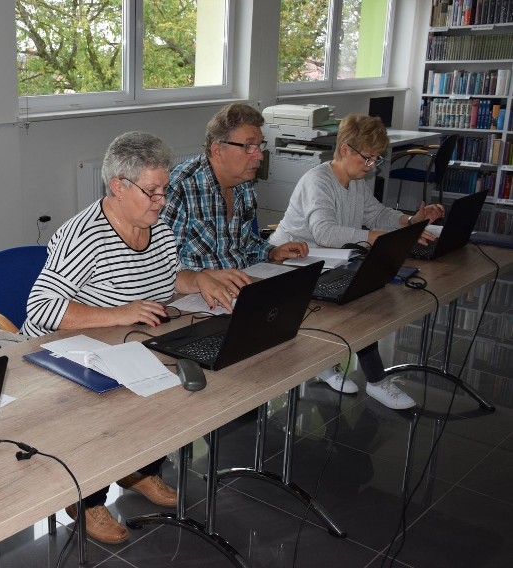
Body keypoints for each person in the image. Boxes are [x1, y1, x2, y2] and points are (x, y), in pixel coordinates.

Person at [22, 131, 234, 544]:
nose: (162, 201)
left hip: (123, 344)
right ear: (119, 186)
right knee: (109, 406)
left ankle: (139, 470)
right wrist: (121, 313)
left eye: (164, 190)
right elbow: (41, 309)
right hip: (58, 356)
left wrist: (197, 280)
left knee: (164, 375)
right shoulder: (84, 235)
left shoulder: (158, 227)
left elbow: (162, 282)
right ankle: (85, 500)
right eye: (152, 191)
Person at [269, 114, 445, 409]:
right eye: (368, 157)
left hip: (326, 260)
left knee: (362, 294)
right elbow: (324, 233)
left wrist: (411, 220)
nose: (371, 165)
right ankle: (376, 382)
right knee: (360, 304)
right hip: (290, 263)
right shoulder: (318, 181)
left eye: (376, 159)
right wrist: (374, 237)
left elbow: (377, 215)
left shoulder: (356, 182)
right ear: (346, 149)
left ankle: (326, 365)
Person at [161, 102, 309, 298]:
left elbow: (244, 243)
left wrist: (271, 252)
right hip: (196, 299)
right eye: (248, 146)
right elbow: (162, 266)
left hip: (243, 288)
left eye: (259, 145)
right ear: (217, 150)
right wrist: (202, 278)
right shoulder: (179, 189)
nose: (259, 156)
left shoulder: (243, 183)